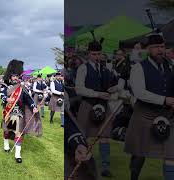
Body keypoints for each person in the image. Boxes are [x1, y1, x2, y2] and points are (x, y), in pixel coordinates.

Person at [125, 33, 174, 180]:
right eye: (155, 47)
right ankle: (134, 177)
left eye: (162, 47)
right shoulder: (139, 67)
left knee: (171, 153)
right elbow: (139, 92)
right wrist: (164, 99)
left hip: (168, 115)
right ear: (147, 50)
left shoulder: (170, 66)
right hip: (145, 114)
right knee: (139, 154)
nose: (160, 50)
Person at [75, 35, 116, 177]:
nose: (96, 57)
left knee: (104, 137)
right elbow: (79, 89)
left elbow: (116, 83)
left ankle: (105, 167)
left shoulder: (105, 68)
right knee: (84, 136)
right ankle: (85, 163)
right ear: (88, 54)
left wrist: (114, 88)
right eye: (93, 54)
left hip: (103, 106)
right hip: (88, 104)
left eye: (98, 54)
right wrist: (98, 94)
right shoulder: (83, 68)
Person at [1, 59, 42, 163]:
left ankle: (17, 154)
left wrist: (33, 106)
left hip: (19, 114)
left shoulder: (22, 87)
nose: (16, 78)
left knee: (19, 133)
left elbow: (29, 99)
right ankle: (6, 145)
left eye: (17, 76)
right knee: (7, 131)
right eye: (14, 75)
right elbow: (2, 95)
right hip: (8, 113)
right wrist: (6, 99)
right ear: (10, 75)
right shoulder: (5, 85)